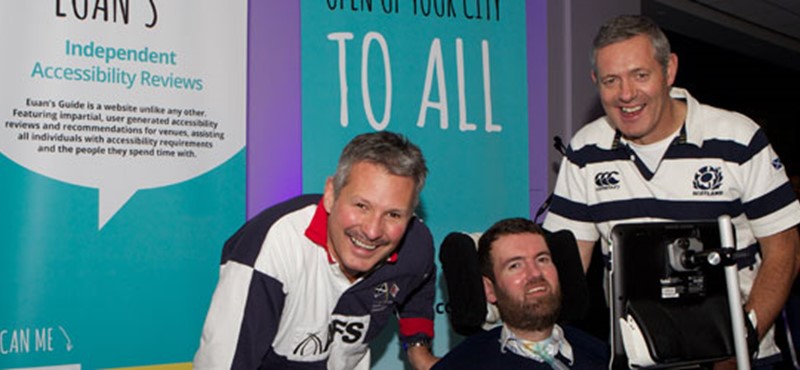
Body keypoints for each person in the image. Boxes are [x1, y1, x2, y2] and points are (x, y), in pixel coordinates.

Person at [542, 14, 800, 368]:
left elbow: (785, 252)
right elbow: (566, 266)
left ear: (669, 70)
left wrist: (741, 343)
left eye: (640, 75)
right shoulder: (586, 150)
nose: (626, 94)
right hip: (635, 359)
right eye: (611, 80)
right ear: (595, 82)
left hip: (742, 356)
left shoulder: (737, 138)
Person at [193, 131, 438, 370]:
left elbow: (420, 282)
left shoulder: (415, 244)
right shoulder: (273, 247)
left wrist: (418, 350)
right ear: (330, 195)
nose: (373, 231)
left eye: (393, 214)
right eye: (362, 206)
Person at [433, 218, 609, 369]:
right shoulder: (462, 365)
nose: (535, 273)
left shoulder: (607, 358)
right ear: (489, 289)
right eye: (515, 265)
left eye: (542, 259)